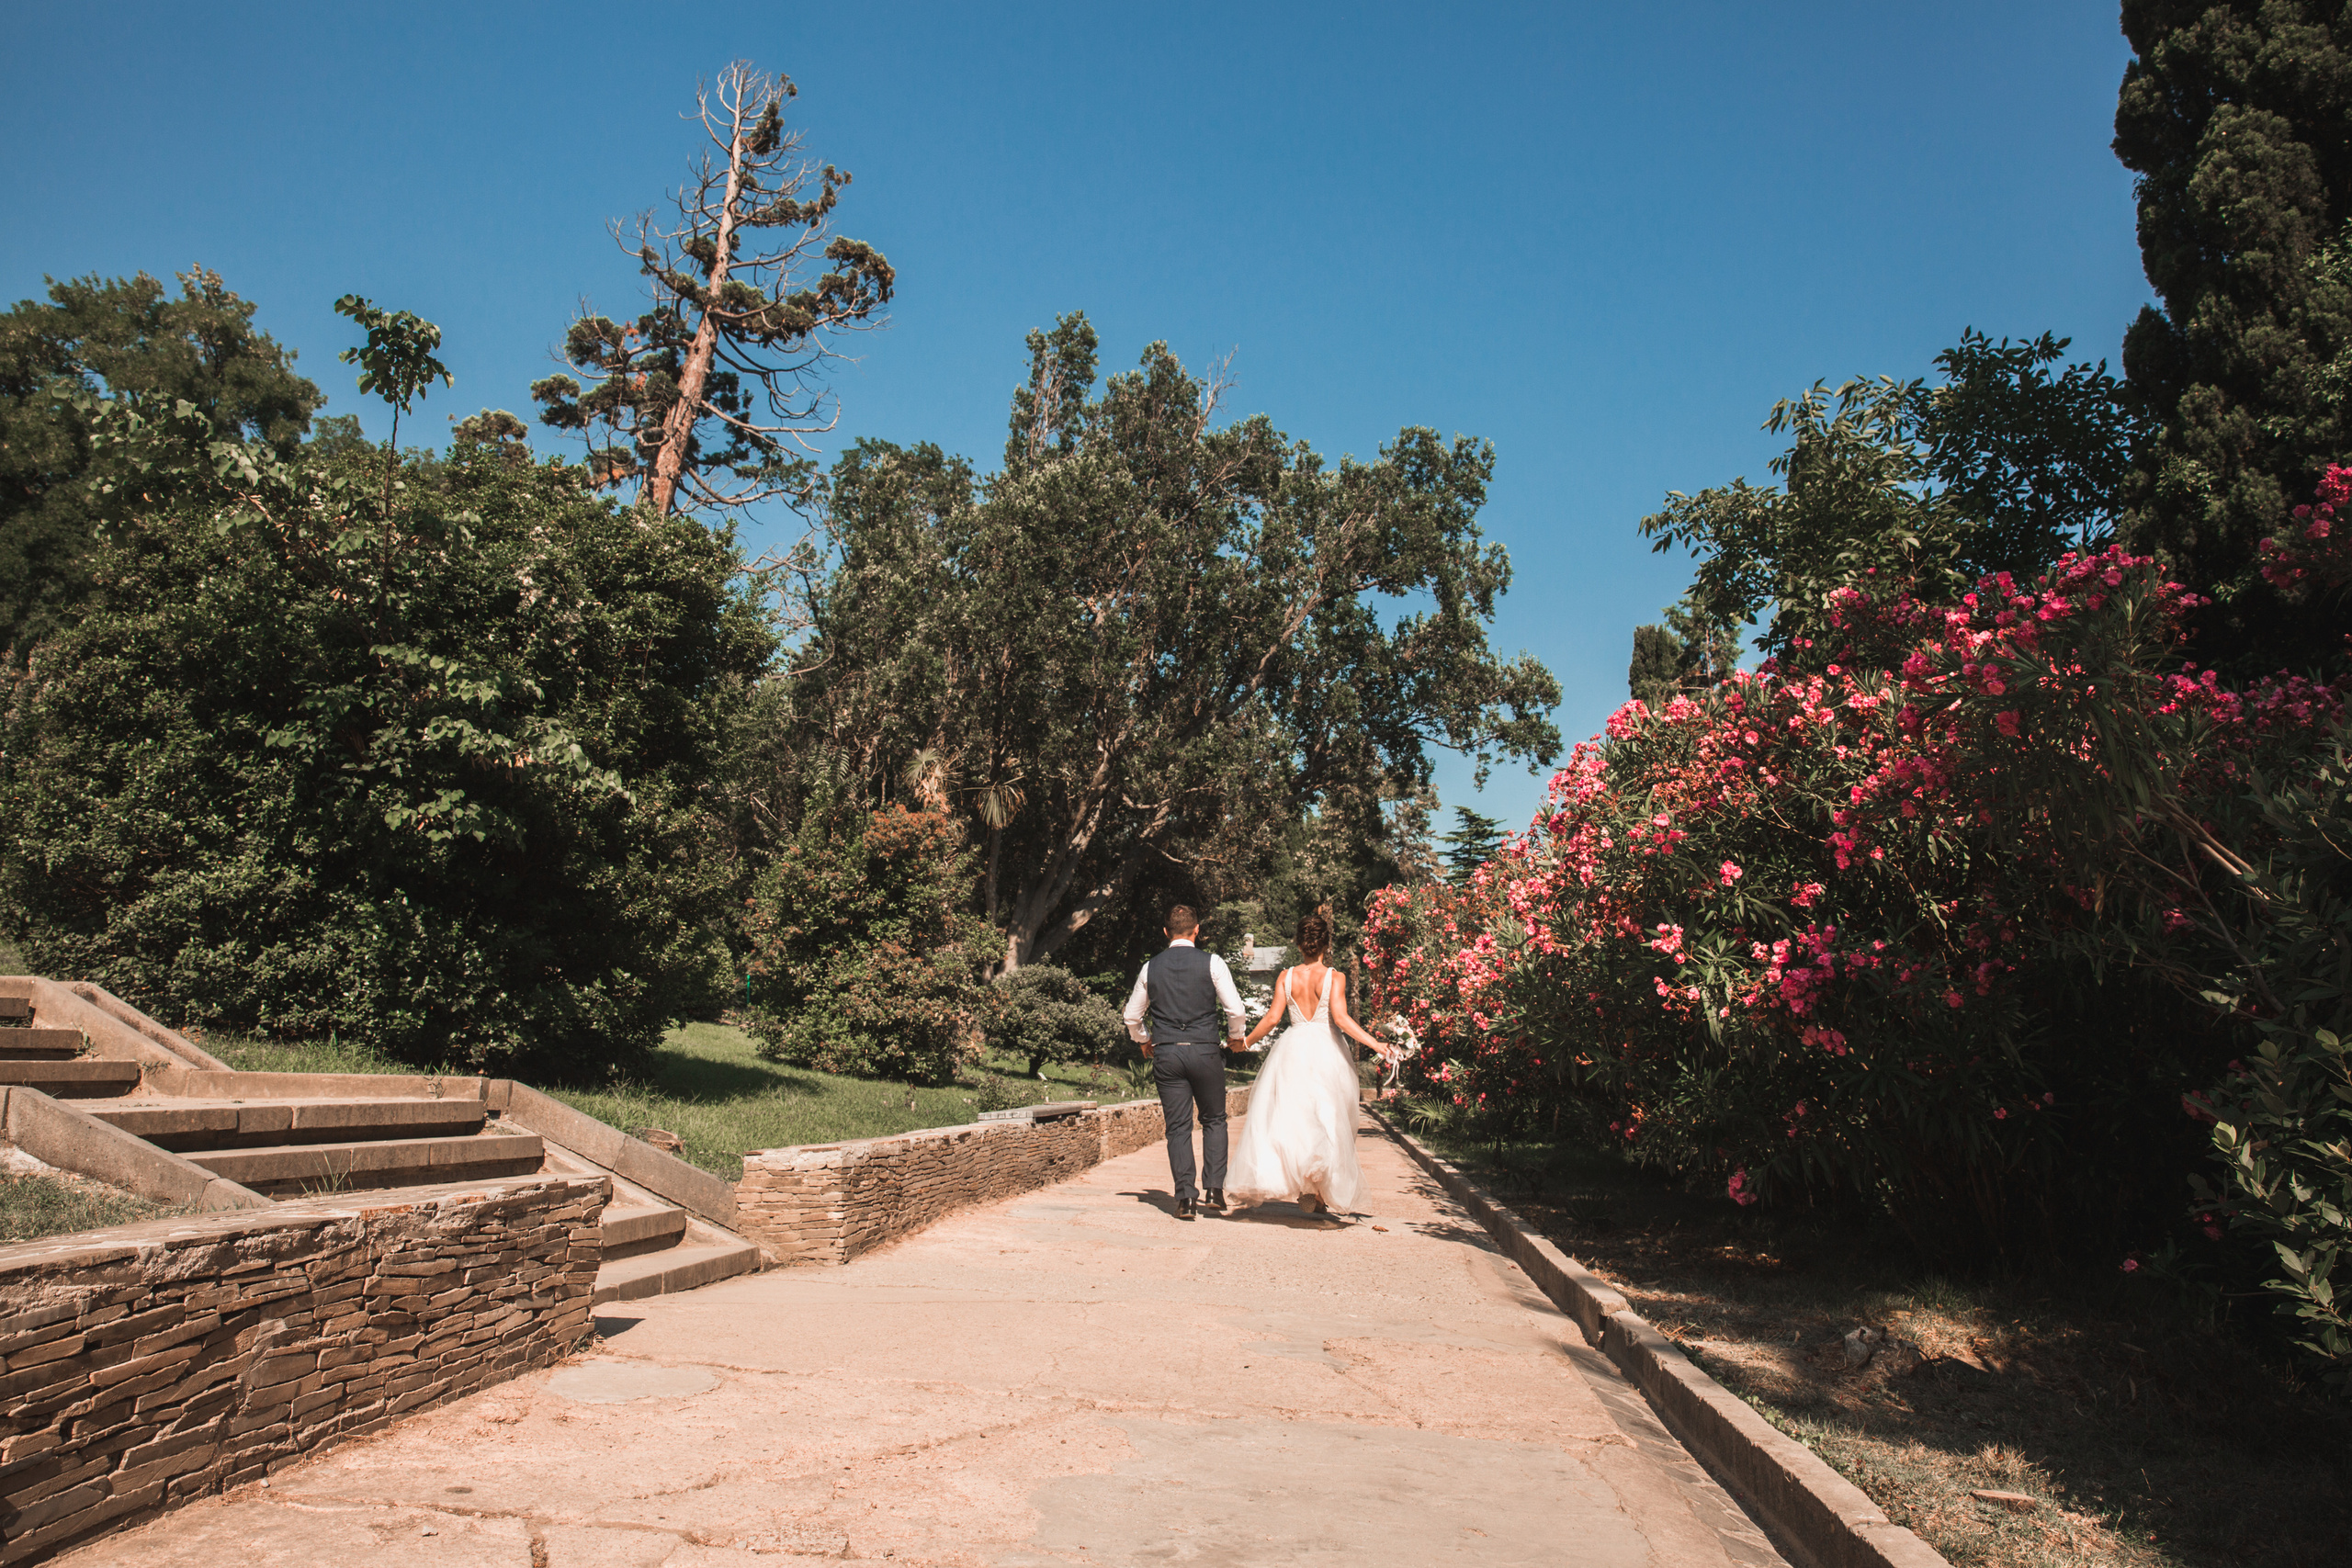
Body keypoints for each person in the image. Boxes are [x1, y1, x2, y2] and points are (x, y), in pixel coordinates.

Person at [1227, 908, 1397, 1219]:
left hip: (1291, 1050)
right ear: (1325, 944)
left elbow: (1273, 1018)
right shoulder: (1335, 977)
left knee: (1292, 1118)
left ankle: (1305, 1186)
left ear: (1299, 943)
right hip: (1325, 1050)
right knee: (1327, 1117)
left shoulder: (1286, 976)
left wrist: (1247, 1042)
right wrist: (1377, 1044)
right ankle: (1318, 1189)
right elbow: (1342, 1020)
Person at [1121, 904, 1247, 1220]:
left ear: (1166, 932)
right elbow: (1236, 1010)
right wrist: (1235, 1037)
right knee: (1214, 1120)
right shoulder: (1213, 963)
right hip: (1205, 1049)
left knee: (1178, 1127)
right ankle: (1215, 1190)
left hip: (1168, 1052)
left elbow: (1131, 1016)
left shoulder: (1151, 967)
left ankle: (1185, 1198)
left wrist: (1144, 1039)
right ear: (1197, 930)